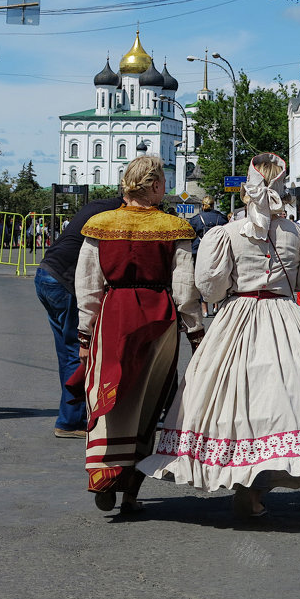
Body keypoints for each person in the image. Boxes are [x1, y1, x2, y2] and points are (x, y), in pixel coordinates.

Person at [139, 154, 300, 516]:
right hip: (284, 317)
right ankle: (257, 486)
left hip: (237, 316)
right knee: (284, 402)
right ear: (281, 185)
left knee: (233, 400)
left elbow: (211, 286)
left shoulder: (227, 233)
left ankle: (240, 479)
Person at [70, 156, 204, 514]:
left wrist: (85, 337)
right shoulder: (174, 227)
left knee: (107, 392)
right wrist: (195, 332)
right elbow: (184, 288)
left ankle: (103, 475)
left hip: (113, 316)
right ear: (156, 185)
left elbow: (87, 286)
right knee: (148, 402)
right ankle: (131, 489)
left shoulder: (99, 225)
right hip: (158, 320)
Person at [36, 193, 124, 439]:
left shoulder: (101, 205)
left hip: (47, 274)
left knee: (68, 351)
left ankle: (73, 416)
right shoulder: (114, 216)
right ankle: (70, 420)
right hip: (65, 281)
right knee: (79, 349)